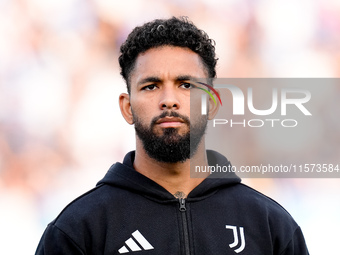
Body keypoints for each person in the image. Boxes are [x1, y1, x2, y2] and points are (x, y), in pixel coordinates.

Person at [35, 17, 309, 254]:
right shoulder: (79, 230)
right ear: (127, 108)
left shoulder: (270, 225)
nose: (169, 100)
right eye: (152, 86)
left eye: (186, 84)